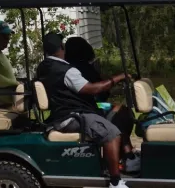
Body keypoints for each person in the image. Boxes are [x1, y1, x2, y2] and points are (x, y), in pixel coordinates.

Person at [35, 33, 129, 187]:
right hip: (72, 115)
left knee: (115, 116)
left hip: (59, 114)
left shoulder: (43, 67)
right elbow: (92, 89)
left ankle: (123, 158)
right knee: (111, 133)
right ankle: (115, 181)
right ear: (62, 48)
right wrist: (116, 79)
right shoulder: (67, 71)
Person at [64, 36, 140, 173]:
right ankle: (127, 155)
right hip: (89, 106)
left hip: (89, 104)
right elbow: (100, 92)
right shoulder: (83, 68)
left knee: (119, 110)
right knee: (121, 112)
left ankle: (126, 154)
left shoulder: (70, 67)